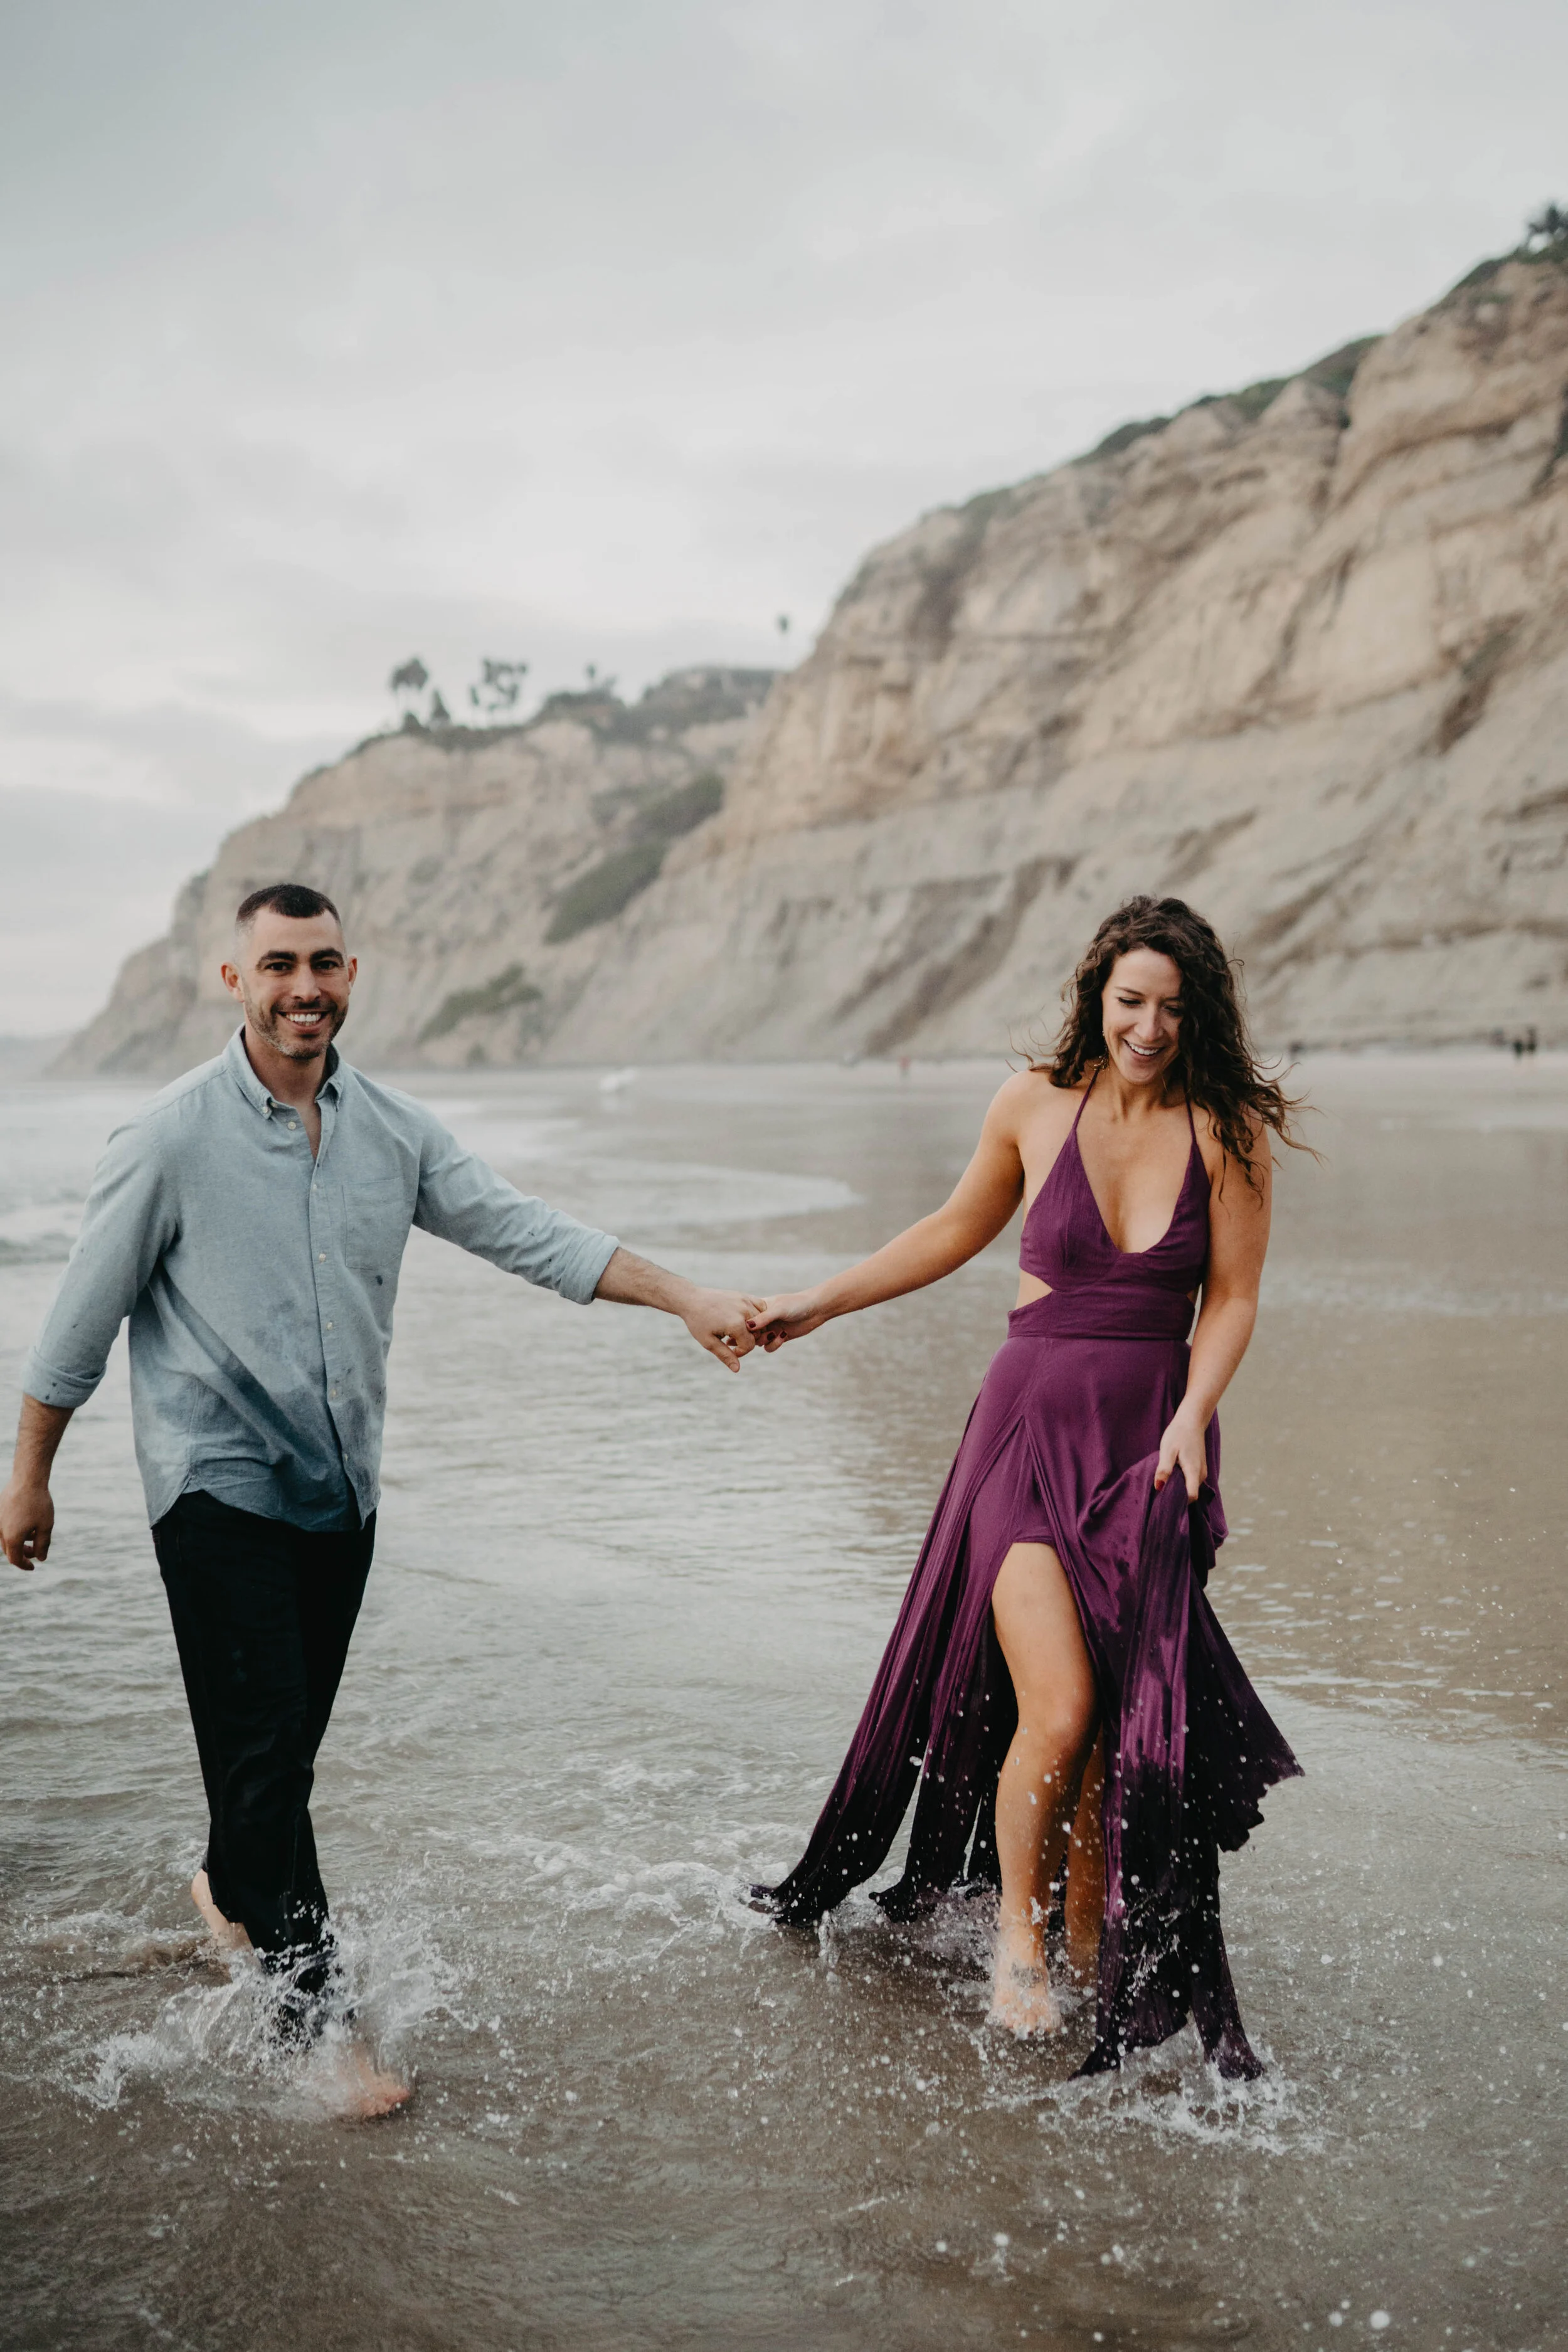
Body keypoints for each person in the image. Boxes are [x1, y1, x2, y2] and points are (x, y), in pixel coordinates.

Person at [0, 882, 763, 2114]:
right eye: (279, 964)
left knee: (277, 1763)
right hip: (212, 1483)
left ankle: (228, 1890)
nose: (305, 986)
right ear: (235, 982)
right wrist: (28, 1472)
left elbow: (523, 1230)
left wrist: (685, 1299)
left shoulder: (393, 1133)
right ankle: (321, 2031)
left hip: (338, 1488)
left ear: (352, 975)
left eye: (326, 963)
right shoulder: (167, 1136)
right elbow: (81, 1316)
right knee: (262, 1761)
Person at [746, 896, 1303, 2080]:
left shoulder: (1226, 1131)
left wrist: (1198, 1415)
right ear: (1096, 993)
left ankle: (1101, 1944)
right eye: (1128, 1000)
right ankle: (1019, 1938)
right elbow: (952, 1228)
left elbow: (1236, 1297)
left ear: (1197, 1011)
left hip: (1149, 1443)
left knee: (1115, 1731)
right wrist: (813, 1302)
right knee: (1056, 1707)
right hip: (1023, 1435)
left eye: (1170, 1005)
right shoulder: (1033, 1106)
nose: (1147, 1026)